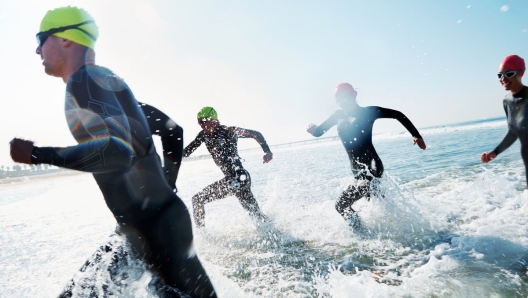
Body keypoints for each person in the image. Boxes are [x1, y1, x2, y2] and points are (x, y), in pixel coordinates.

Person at [9, 6, 216, 297]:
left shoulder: (84, 82)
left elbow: (118, 153)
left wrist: (37, 154)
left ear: (65, 39)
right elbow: (173, 131)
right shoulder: (111, 86)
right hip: (153, 227)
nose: (37, 49)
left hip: (155, 232)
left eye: (41, 38)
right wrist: (166, 188)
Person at [307, 83, 426, 225]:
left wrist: (416, 135)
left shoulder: (368, 112)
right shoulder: (337, 116)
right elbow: (319, 132)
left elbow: (398, 115)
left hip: (372, 167)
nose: (341, 102)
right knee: (381, 205)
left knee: (341, 205)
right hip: (357, 170)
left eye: (344, 98)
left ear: (353, 95)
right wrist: (312, 129)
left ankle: (362, 236)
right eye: (338, 99)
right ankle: (408, 225)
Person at [183, 106, 273, 228]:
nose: (202, 125)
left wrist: (267, 151)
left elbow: (255, 134)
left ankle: (202, 239)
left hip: (239, 178)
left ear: (214, 119)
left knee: (197, 199)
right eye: (199, 123)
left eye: (204, 121)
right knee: (257, 216)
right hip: (235, 180)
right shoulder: (203, 135)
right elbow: (187, 151)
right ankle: (277, 234)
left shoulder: (229, 130)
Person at [481, 55, 528, 185]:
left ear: (521, 72)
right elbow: (514, 131)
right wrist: (495, 152)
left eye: (509, 74)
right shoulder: (507, 101)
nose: (503, 79)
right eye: (500, 75)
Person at [139, 101, 183, 192]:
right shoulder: (126, 104)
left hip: (118, 189)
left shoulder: (123, 102)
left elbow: (173, 132)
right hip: (152, 185)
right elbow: (174, 132)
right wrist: (169, 177)